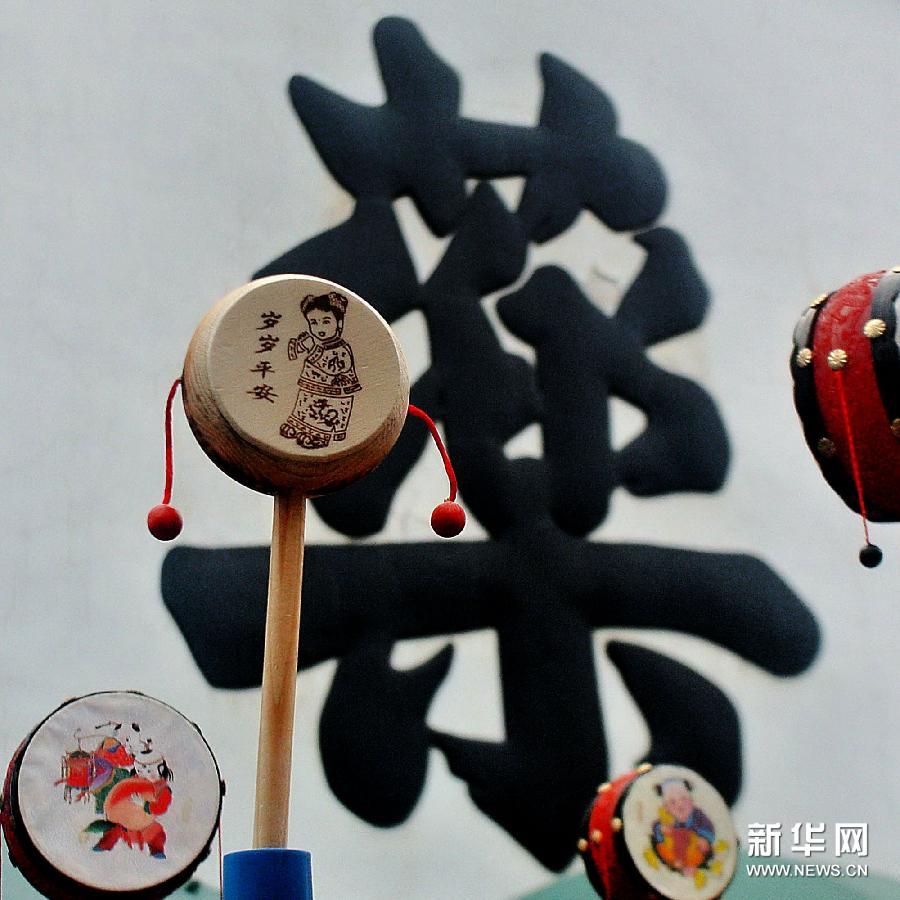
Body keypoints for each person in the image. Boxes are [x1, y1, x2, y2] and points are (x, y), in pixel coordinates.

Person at [280, 291, 361, 449]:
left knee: (325, 412)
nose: (319, 328)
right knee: (305, 404)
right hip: (312, 388)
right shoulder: (319, 344)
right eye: (314, 322)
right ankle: (299, 425)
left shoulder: (341, 348)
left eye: (326, 321)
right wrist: (301, 347)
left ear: (339, 323)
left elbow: (335, 367)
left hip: (333, 393)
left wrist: (312, 349)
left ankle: (319, 435)